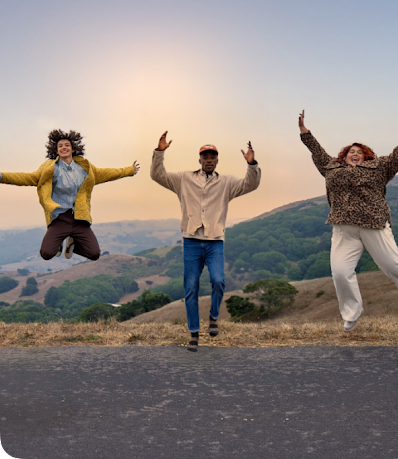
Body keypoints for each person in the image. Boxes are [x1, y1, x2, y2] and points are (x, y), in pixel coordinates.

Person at [299, 110, 398, 331]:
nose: (355, 153)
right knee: (340, 272)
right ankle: (351, 314)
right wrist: (304, 131)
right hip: (344, 228)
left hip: (374, 225)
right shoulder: (331, 168)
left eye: (360, 152)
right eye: (351, 151)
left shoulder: (379, 167)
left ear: (366, 157)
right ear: (343, 156)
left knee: (393, 266)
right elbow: (317, 152)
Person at [151, 131, 261, 351]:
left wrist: (252, 164)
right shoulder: (184, 179)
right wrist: (159, 152)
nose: (209, 160)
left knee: (219, 281)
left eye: (212, 157)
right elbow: (157, 175)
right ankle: (194, 334)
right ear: (199, 160)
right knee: (190, 288)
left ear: (217, 160)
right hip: (191, 241)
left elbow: (251, 185)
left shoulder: (227, 182)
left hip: (214, 241)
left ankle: (213, 317)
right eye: (205, 157)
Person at [0, 129, 139, 261]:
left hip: (80, 218)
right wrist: (2, 176)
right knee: (47, 253)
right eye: (60, 146)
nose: (64, 147)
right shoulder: (50, 168)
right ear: (56, 150)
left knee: (94, 254)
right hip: (60, 218)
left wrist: (129, 170)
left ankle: (72, 243)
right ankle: (59, 242)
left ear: (73, 149)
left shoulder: (85, 168)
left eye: (67, 145)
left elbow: (108, 173)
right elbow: (28, 178)